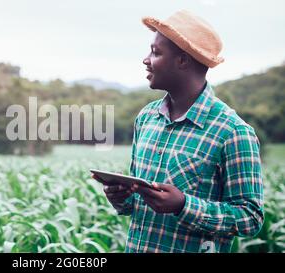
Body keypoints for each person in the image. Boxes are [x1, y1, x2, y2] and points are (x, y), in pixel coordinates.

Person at [92, 10, 264, 253]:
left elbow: (250, 218)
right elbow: (137, 206)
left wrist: (183, 206)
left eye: (156, 52)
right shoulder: (146, 119)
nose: (146, 59)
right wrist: (121, 198)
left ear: (182, 60)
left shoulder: (233, 132)